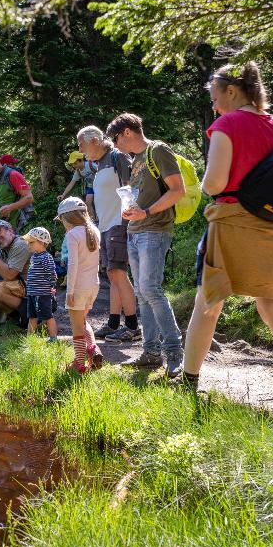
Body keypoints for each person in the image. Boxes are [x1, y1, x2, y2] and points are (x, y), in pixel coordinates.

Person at [182, 61, 273, 415]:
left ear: (232, 91)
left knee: (208, 303)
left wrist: (199, 183)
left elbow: (214, 183)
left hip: (232, 222)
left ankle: (187, 384)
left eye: (215, 97)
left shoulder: (226, 124)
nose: (213, 106)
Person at [107, 113, 186, 377]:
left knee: (151, 289)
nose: (115, 145)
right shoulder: (136, 160)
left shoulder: (158, 150)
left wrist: (147, 213)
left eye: (116, 138)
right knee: (141, 293)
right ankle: (151, 353)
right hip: (135, 230)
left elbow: (178, 190)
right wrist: (131, 211)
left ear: (127, 132)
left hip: (154, 229)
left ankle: (174, 352)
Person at [75, 126, 140, 343]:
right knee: (113, 274)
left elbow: (131, 188)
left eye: (81, 145)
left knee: (118, 273)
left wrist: (125, 222)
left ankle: (132, 326)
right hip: (105, 226)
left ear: (94, 140)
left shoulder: (117, 157)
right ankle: (113, 322)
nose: (80, 150)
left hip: (118, 224)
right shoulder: (99, 163)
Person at [58, 197, 103, 373]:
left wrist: (69, 290)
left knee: (76, 325)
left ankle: (79, 363)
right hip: (94, 284)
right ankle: (92, 349)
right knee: (82, 321)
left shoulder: (72, 234)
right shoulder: (94, 230)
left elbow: (73, 264)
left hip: (78, 286)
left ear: (66, 217)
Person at [21, 227, 59, 341]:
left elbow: (52, 274)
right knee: (32, 316)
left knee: (48, 316)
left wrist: (51, 286)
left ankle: (53, 338)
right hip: (32, 293)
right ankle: (30, 340)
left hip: (42, 294)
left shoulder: (46, 257)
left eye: (31, 242)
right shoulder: (33, 256)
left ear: (42, 242)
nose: (29, 244)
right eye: (28, 242)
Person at [57, 151, 97, 221]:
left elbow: (101, 170)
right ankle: (94, 221)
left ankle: (99, 217)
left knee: (98, 201)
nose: (74, 166)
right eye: (72, 164)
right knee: (88, 202)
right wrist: (63, 195)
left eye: (75, 163)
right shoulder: (78, 171)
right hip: (90, 187)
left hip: (99, 185)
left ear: (81, 160)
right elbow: (71, 183)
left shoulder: (90, 165)